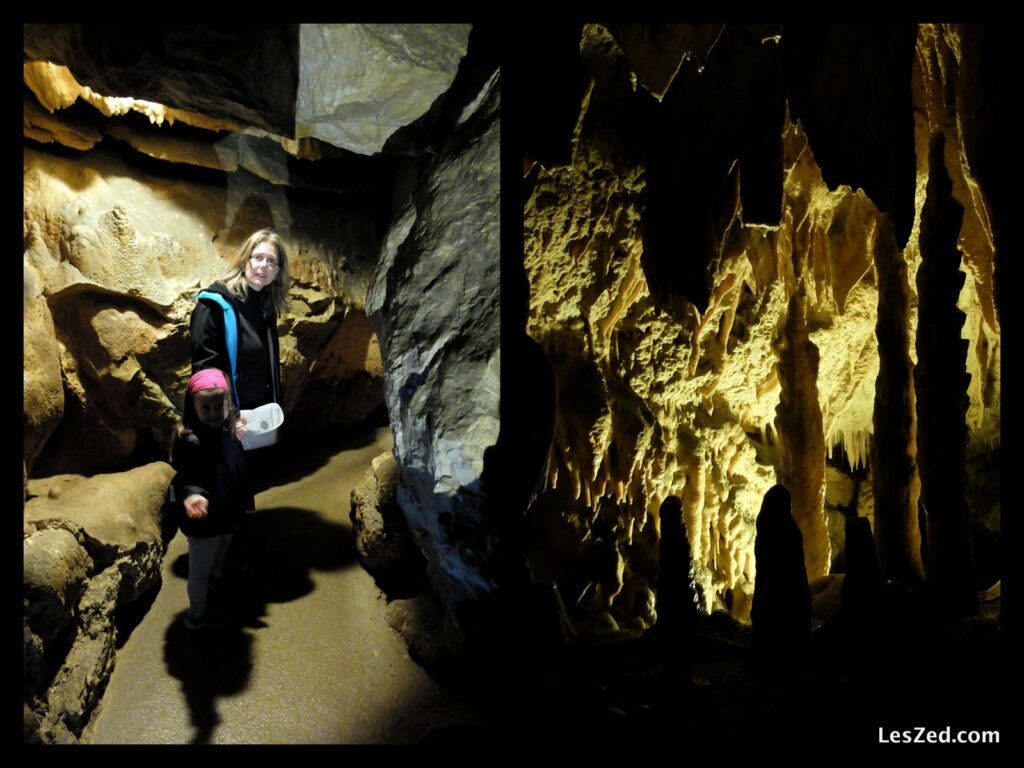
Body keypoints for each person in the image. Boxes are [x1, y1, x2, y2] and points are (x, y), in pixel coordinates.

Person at [171, 368, 254, 630]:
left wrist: (236, 434)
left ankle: (217, 576)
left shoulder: (226, 427)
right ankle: (196, 617)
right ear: (192, 407)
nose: (214, 412)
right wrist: (192, 494)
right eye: (206, 407)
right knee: (198, 573)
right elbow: (185, 475)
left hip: (226, 511)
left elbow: (232, 462)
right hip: (203, 520)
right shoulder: (190, 440)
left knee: (222, 548)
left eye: (220, 405)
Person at [190, 228, 289, 413]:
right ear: (245, 260)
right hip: (225, 417)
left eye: (271, 261)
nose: (263, 266)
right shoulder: (214, 304)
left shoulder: (266, 310)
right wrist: (230, 415)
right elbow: (205, 369)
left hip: (258, 411)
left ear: (277, 270)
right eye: (258, 257)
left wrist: (275, 403)